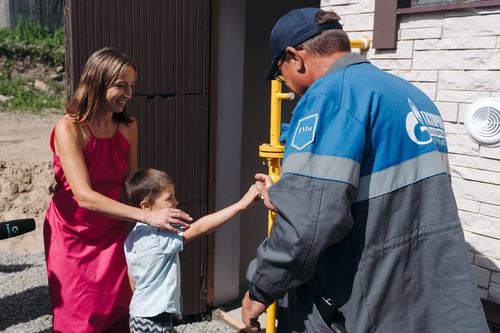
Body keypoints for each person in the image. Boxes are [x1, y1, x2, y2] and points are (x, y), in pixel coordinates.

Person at [242, 7, 489, 333]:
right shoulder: (414, 97)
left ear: (294, 58)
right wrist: (288, 194)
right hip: (428, 300)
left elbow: (309, 223)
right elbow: (384, 195)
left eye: (279, 73)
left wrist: (261, 288)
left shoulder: (329, 97)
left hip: (368, 304)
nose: (285, 84)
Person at [43, 47, 192, 333]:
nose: (129, 94)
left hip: (112, 228)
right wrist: (146, 217)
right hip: (71, 233)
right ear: (98, 82)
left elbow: (131, 184)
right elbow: (84, 196)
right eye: (121, 85)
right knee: (78, 316)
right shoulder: (69, 129)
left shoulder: (128, 126)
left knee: (116, 310)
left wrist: (159, 206)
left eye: (132, 85)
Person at [122, 168, 259, 332]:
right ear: (146, 206)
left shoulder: (134, 235)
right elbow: (200, 227)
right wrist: (241, 205)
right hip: (154, 319)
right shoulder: (160, 238)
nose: (176, 202)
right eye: (169, 198)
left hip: (139, 314)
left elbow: (133, 279)